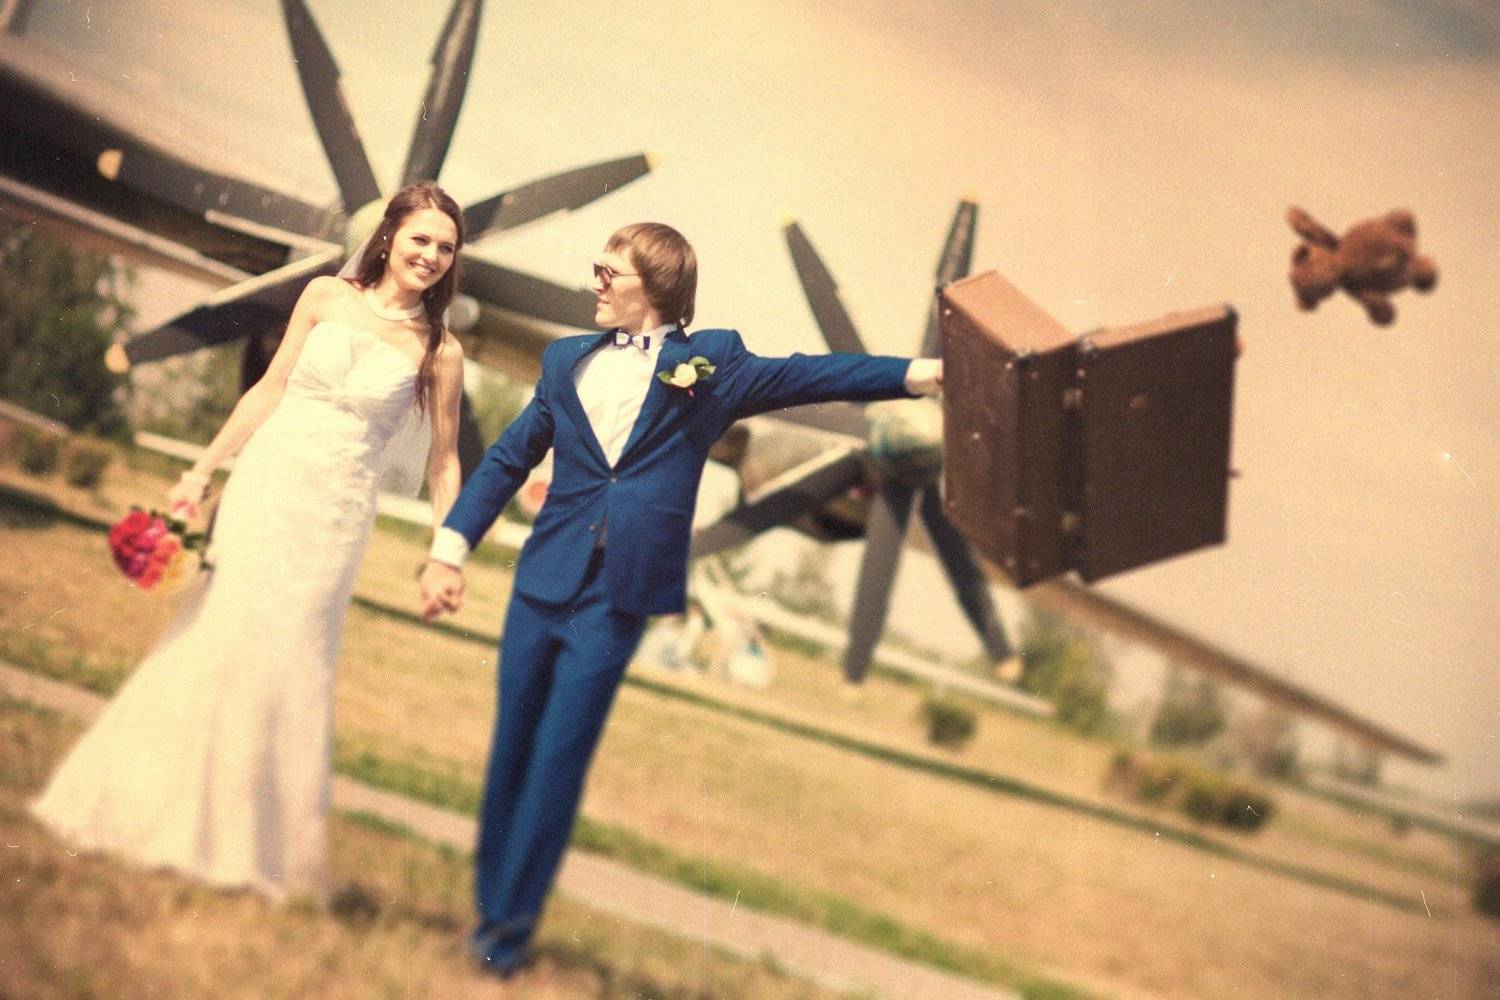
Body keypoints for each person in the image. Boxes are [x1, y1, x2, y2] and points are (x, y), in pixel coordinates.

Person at [418, 222, 941, 975]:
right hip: (542, 584)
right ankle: (488, 907)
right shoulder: (566, 360)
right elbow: (506, 460)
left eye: (610, 272)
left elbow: (814, 374)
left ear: (656, 287)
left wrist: (921, 375)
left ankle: (504, 938)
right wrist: (449, 549)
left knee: (559, 761)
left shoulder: (713, 364)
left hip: (619, 596)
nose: (595, 282)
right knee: (511, 752)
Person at [30, 182, 468, 899]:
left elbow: (444, 462)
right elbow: (269, 389)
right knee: (221, 631)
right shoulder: (325, 296)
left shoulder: (441, 351)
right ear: (389, 236)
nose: (431, 255)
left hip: (336, 516)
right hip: (266, 487)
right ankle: (157, 809)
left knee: (295, 658)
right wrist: (201, 471)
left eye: (445, 248)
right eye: (421, 238)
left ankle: (259, 847)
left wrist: (445, 552)